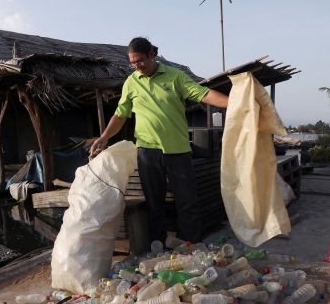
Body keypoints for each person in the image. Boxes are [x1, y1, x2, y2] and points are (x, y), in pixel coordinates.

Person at [90, 37, 228, 245]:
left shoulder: (176, 77)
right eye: (133, 63)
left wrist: (234, 103)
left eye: (140, 61)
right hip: (147, 153)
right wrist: (104, 136)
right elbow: (121, 114)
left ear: (152, 55)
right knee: (155, 205)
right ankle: (158, 248)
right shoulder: (131, 82)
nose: (137, 66)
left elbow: (204, 94)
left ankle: (192, 248)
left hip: (179, 151)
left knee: (187, 203)